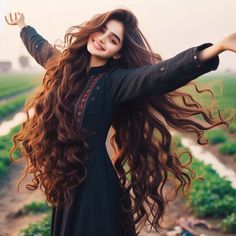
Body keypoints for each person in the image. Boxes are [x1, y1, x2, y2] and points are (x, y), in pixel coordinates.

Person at [5, 8, 236, 236]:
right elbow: (40, 48)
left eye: (113, 39)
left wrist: (217, 47)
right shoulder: (65, 69)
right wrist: (23, 26)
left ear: (117, 53)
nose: (103, 39)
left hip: (93, 182)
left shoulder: (114, 82)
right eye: (102, 31)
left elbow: (158, 76)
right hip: (67, 177)